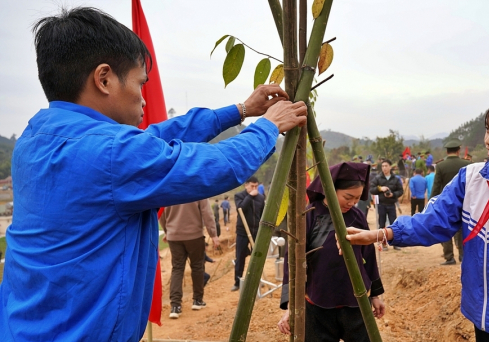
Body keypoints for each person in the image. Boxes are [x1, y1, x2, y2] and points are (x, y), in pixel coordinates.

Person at [0, 7, 307, 342]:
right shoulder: (112, 153)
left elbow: (156, 136)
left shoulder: (34, 138)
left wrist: (242, 111)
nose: (144, 98)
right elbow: (218, 165)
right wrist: (268, 126)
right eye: (139, 82)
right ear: (104, 79)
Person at [344, 91, 489, 342]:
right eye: (488, 129)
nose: (488, 140)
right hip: (481, 318)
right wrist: (380, 233)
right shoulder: (471, 179)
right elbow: (433, 221)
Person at [277, 162, 385, 341]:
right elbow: (293, 261)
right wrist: (291, 305)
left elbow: (368, 256)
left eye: (357, 199)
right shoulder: (309, 215)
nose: (352, 203)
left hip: (355, 302)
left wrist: (375, 294)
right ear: (330, 189)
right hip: (317, 303)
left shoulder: (357, 217)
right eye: (348, 197)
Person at [160, 199, 219, 319]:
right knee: (197, 266)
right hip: (194, 235)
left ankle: (175, 306)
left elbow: (161, 215)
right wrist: (213, 234)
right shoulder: (198, 188)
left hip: (174, 236)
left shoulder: (168, 188)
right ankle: (197, 300)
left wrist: (168, 231)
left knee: (177, 268)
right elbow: (207, 213)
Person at [432, 140, 471, 265]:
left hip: (447, 202)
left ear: (447, 151)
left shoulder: (441, 166)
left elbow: (436, 186)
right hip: (464, 202)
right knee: (462, 229)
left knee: (446, 227)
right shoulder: (467, 164)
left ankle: (449, 257)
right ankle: (463, 255)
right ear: (458, 151)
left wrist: (433, 201)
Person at [232, 176, 265, 291]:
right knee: (240, 256)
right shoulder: (239, 196)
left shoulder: (261, 198)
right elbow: (240, 208)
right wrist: (250, 196)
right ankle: (237, 281)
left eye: (256, 186)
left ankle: (257, 279)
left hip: (256, 231)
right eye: (252, 186)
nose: (254, 188)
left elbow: (262, 215)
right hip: (242, 231)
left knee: (257, 256)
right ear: (246, 185)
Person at [369, 159, 403, 250]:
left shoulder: (395, 179)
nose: (384, 168)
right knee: (382, 224)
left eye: (386, 166)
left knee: (394, 224)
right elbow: (371, 189)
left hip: (391, 204)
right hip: (381, 205)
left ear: (390, 167)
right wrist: (380, 188)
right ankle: (383, 243)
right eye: (383, 166)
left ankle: (395, 243)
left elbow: (400, 191)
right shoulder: (378, 178)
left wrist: (393, 194)